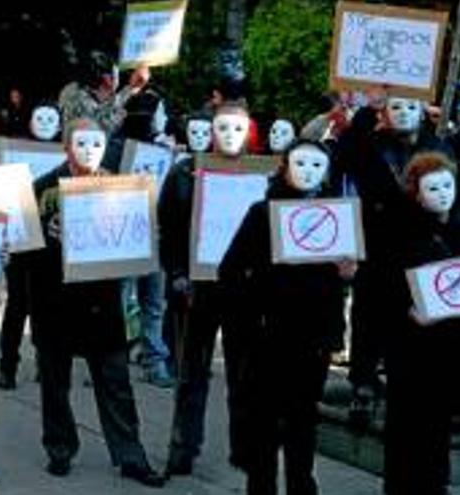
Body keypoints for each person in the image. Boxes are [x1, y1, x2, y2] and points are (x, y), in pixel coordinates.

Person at [25, 117, 165, 487]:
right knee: (55, 383)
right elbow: (24, 252)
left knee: (115, 380)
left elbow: (136, 243)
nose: (89, 151)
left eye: (97, 144)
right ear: (67, 146)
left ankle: (131, 456)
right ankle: (60, 449)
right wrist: (48, 238)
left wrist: (146, 236)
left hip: (102, 304)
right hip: (55, 302)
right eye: (82, 144)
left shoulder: (122, 189)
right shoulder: (42, 189)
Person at [219, 139, 353, 495]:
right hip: (269, 337)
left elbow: (345, 277)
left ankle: (301, 486)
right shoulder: (262, 213)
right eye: (301, 163)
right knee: (264, 422)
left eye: (316, 165)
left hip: (314, 339)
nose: (308, 172)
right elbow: (229, 271)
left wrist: (346, 272)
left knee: (303, 420)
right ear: (285, 166)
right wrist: (264, 287)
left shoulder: (336, 218)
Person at [337, 96, 453, 424]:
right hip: (379, 241)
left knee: (419, 319)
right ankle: (363, 381)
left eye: (411, 107)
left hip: (424, 244)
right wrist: (362, 115)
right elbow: (343, 159)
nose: (403, 114)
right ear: (384, 113)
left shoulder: (438, 146)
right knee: (370, 311)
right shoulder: (370, 144)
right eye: (396, 107)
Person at [160, 104, 254, 475]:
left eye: (238, 128)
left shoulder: (262, 174)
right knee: (191, 372)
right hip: (196, 289)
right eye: (223, 127)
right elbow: (167, 229)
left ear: (248, 132)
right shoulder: (185, 172)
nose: (230, 134)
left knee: (243, 373)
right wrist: (179, 273)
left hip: (244, 291)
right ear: (212, 130)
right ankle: (183, 447)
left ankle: (244, 448)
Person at [383, 152, 460, 495]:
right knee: (408, 424)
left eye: (448, 185)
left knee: (439, 425)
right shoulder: (400, 233)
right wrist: (406, 311)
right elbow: (383, 288)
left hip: (453, 345)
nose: (443, 193)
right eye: (433, 188)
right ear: (416, 192)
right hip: (412, 348)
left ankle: (435, 484)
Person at [0, 101, 62, 390]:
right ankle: (7, 366)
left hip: (49, 245)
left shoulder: (65, 157)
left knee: (44, 305)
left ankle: (42, 362)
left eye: (52, 119)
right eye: (40, 117)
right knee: (17, 305)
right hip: (20, 236)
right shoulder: (13, 153)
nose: (46, 124)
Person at [119, 88, 174, 387]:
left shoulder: (166, 152)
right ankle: (112, 358)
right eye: (161, 112)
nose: (165, 118)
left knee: (153, 302)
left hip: (155, 237)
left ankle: (154, 360)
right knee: (122, 300)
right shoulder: (117, 149)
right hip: (124, 238)